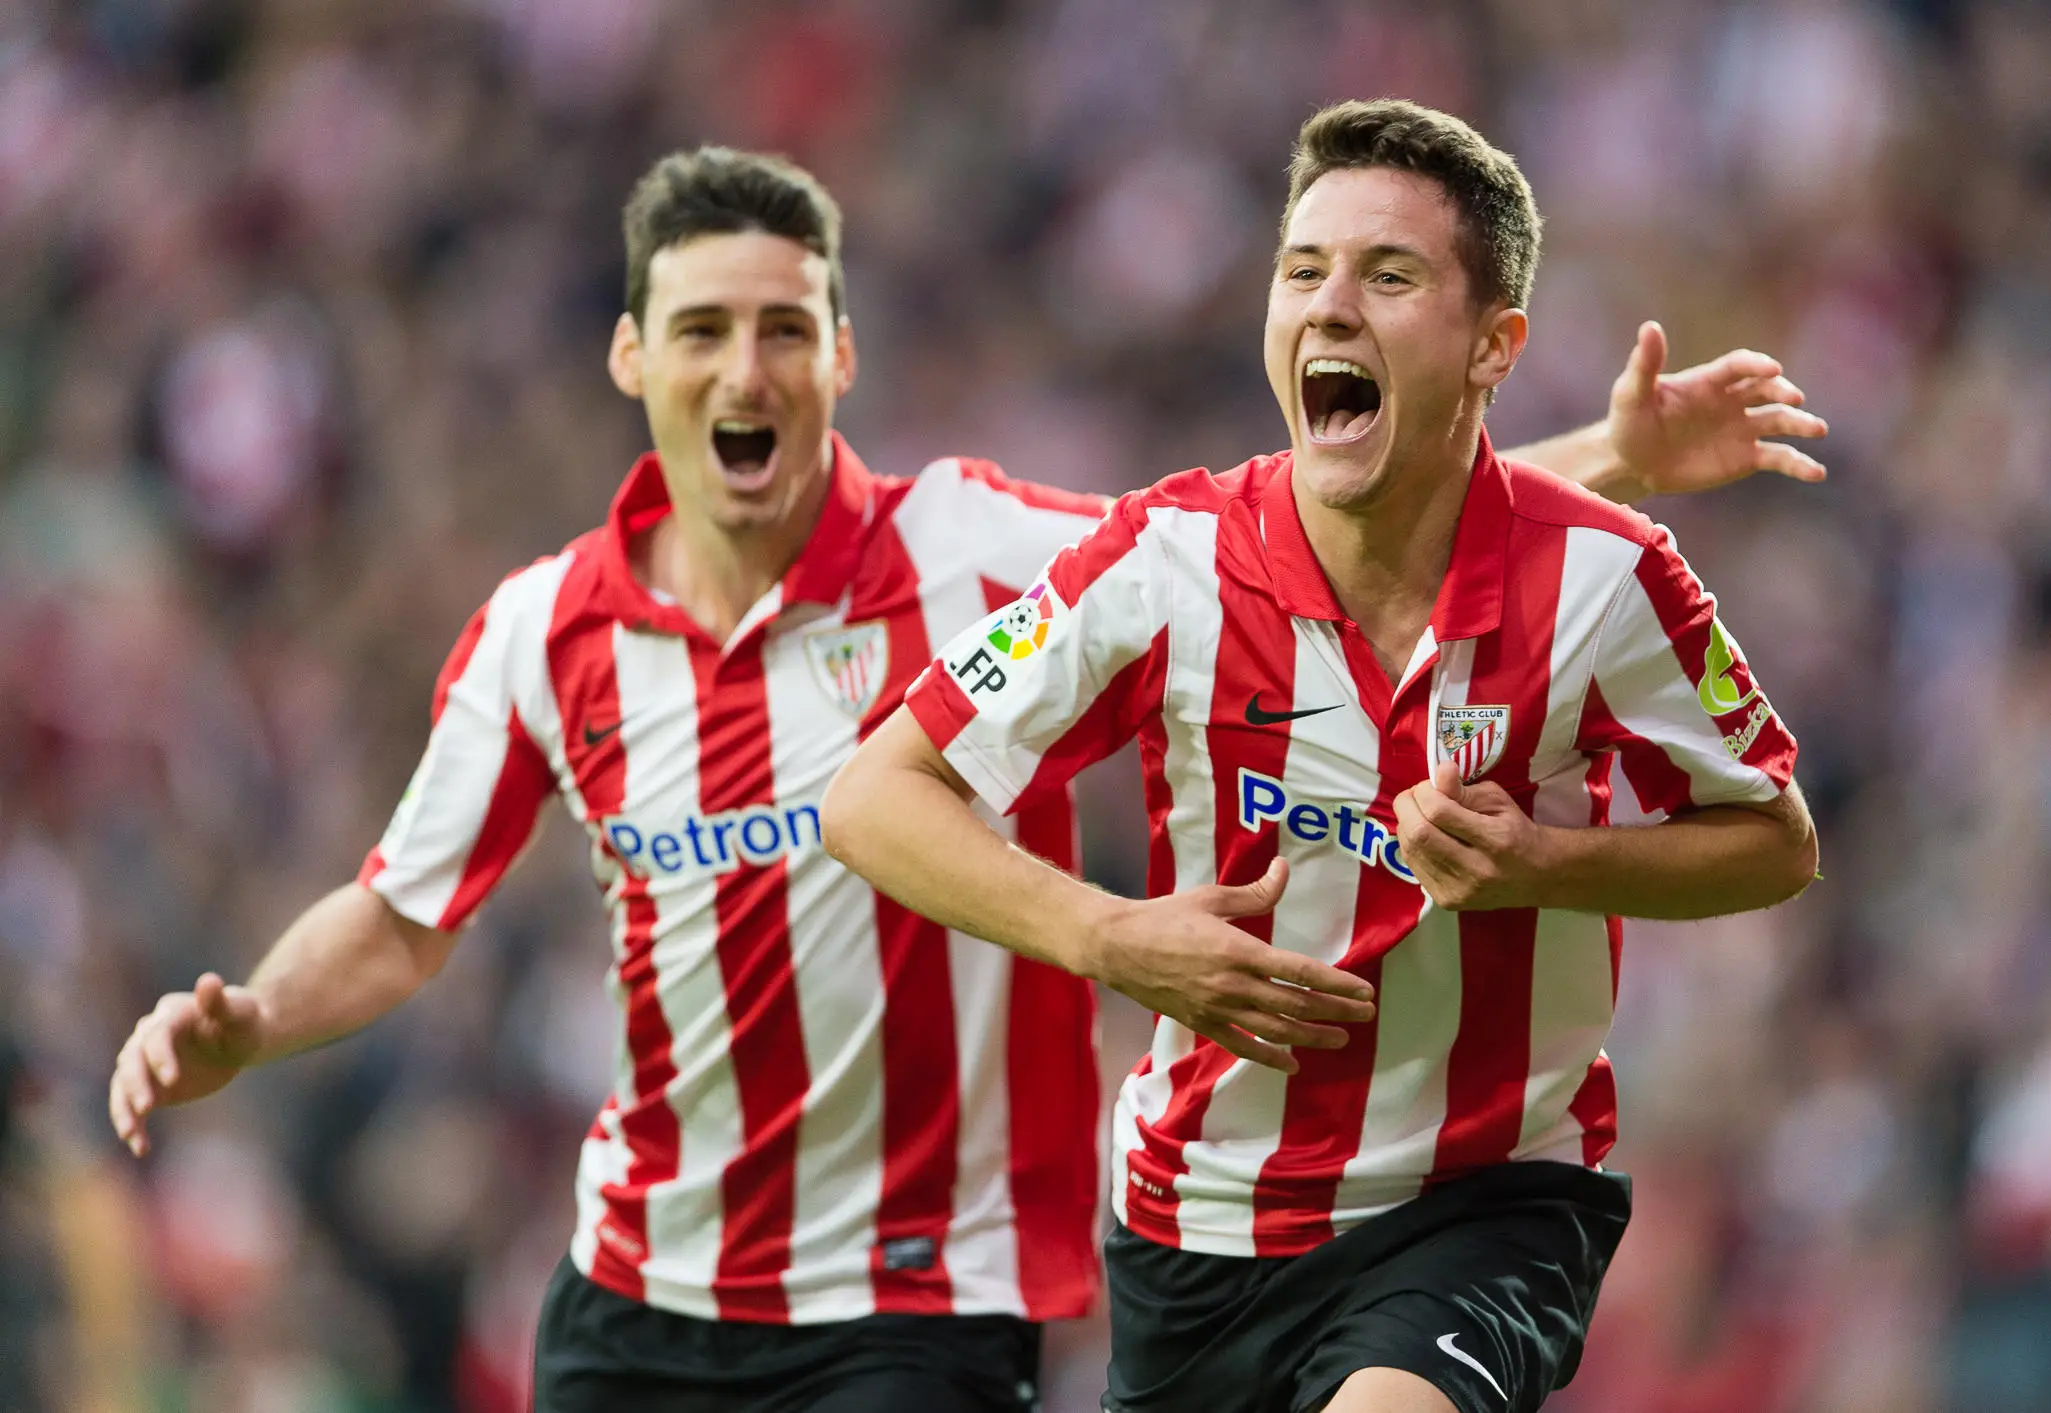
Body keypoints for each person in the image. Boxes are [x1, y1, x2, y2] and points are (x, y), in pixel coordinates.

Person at [108, 140, 1822, 1413]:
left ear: (843, 356)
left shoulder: (988, 550)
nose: (747, 368)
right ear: (633, 358)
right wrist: (251, 1017)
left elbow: (1324, 522)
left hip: (931, 1291)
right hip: (644, 1278)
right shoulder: (540, 634)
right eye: (701, 329)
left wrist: (1600, 461)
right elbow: (405, 916)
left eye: (788, 327)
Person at [822, 99, 1818, 1413]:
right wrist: (1108, 939)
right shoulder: (1159, 564)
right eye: (1302, 272)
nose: (1329, 305)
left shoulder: (1606, 580)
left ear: (1490, 346)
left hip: (1478, 1206)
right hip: (1196, 1230)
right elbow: (871, 796)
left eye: (1387, 275)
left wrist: (1544, 861)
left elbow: (1774, 842)